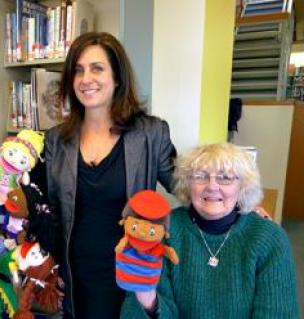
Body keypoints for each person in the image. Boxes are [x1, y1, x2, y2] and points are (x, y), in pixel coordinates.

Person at [45, 32, 176, 319]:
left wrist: (241, 200)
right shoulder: (56, 139)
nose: (85, 79)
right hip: (77, 272)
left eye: (97, 68)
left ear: (117, 77)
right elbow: (52, 211)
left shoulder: (150, 133)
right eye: (77, 71)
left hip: (130, 267)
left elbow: (185, 184)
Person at [120, 143, 300, 318]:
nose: (212, 186)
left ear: (242, 187)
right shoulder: (163, 231)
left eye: (225, 177)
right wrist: (148, 301)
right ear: (187, 184)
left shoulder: (270, 239)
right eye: (200, 176)